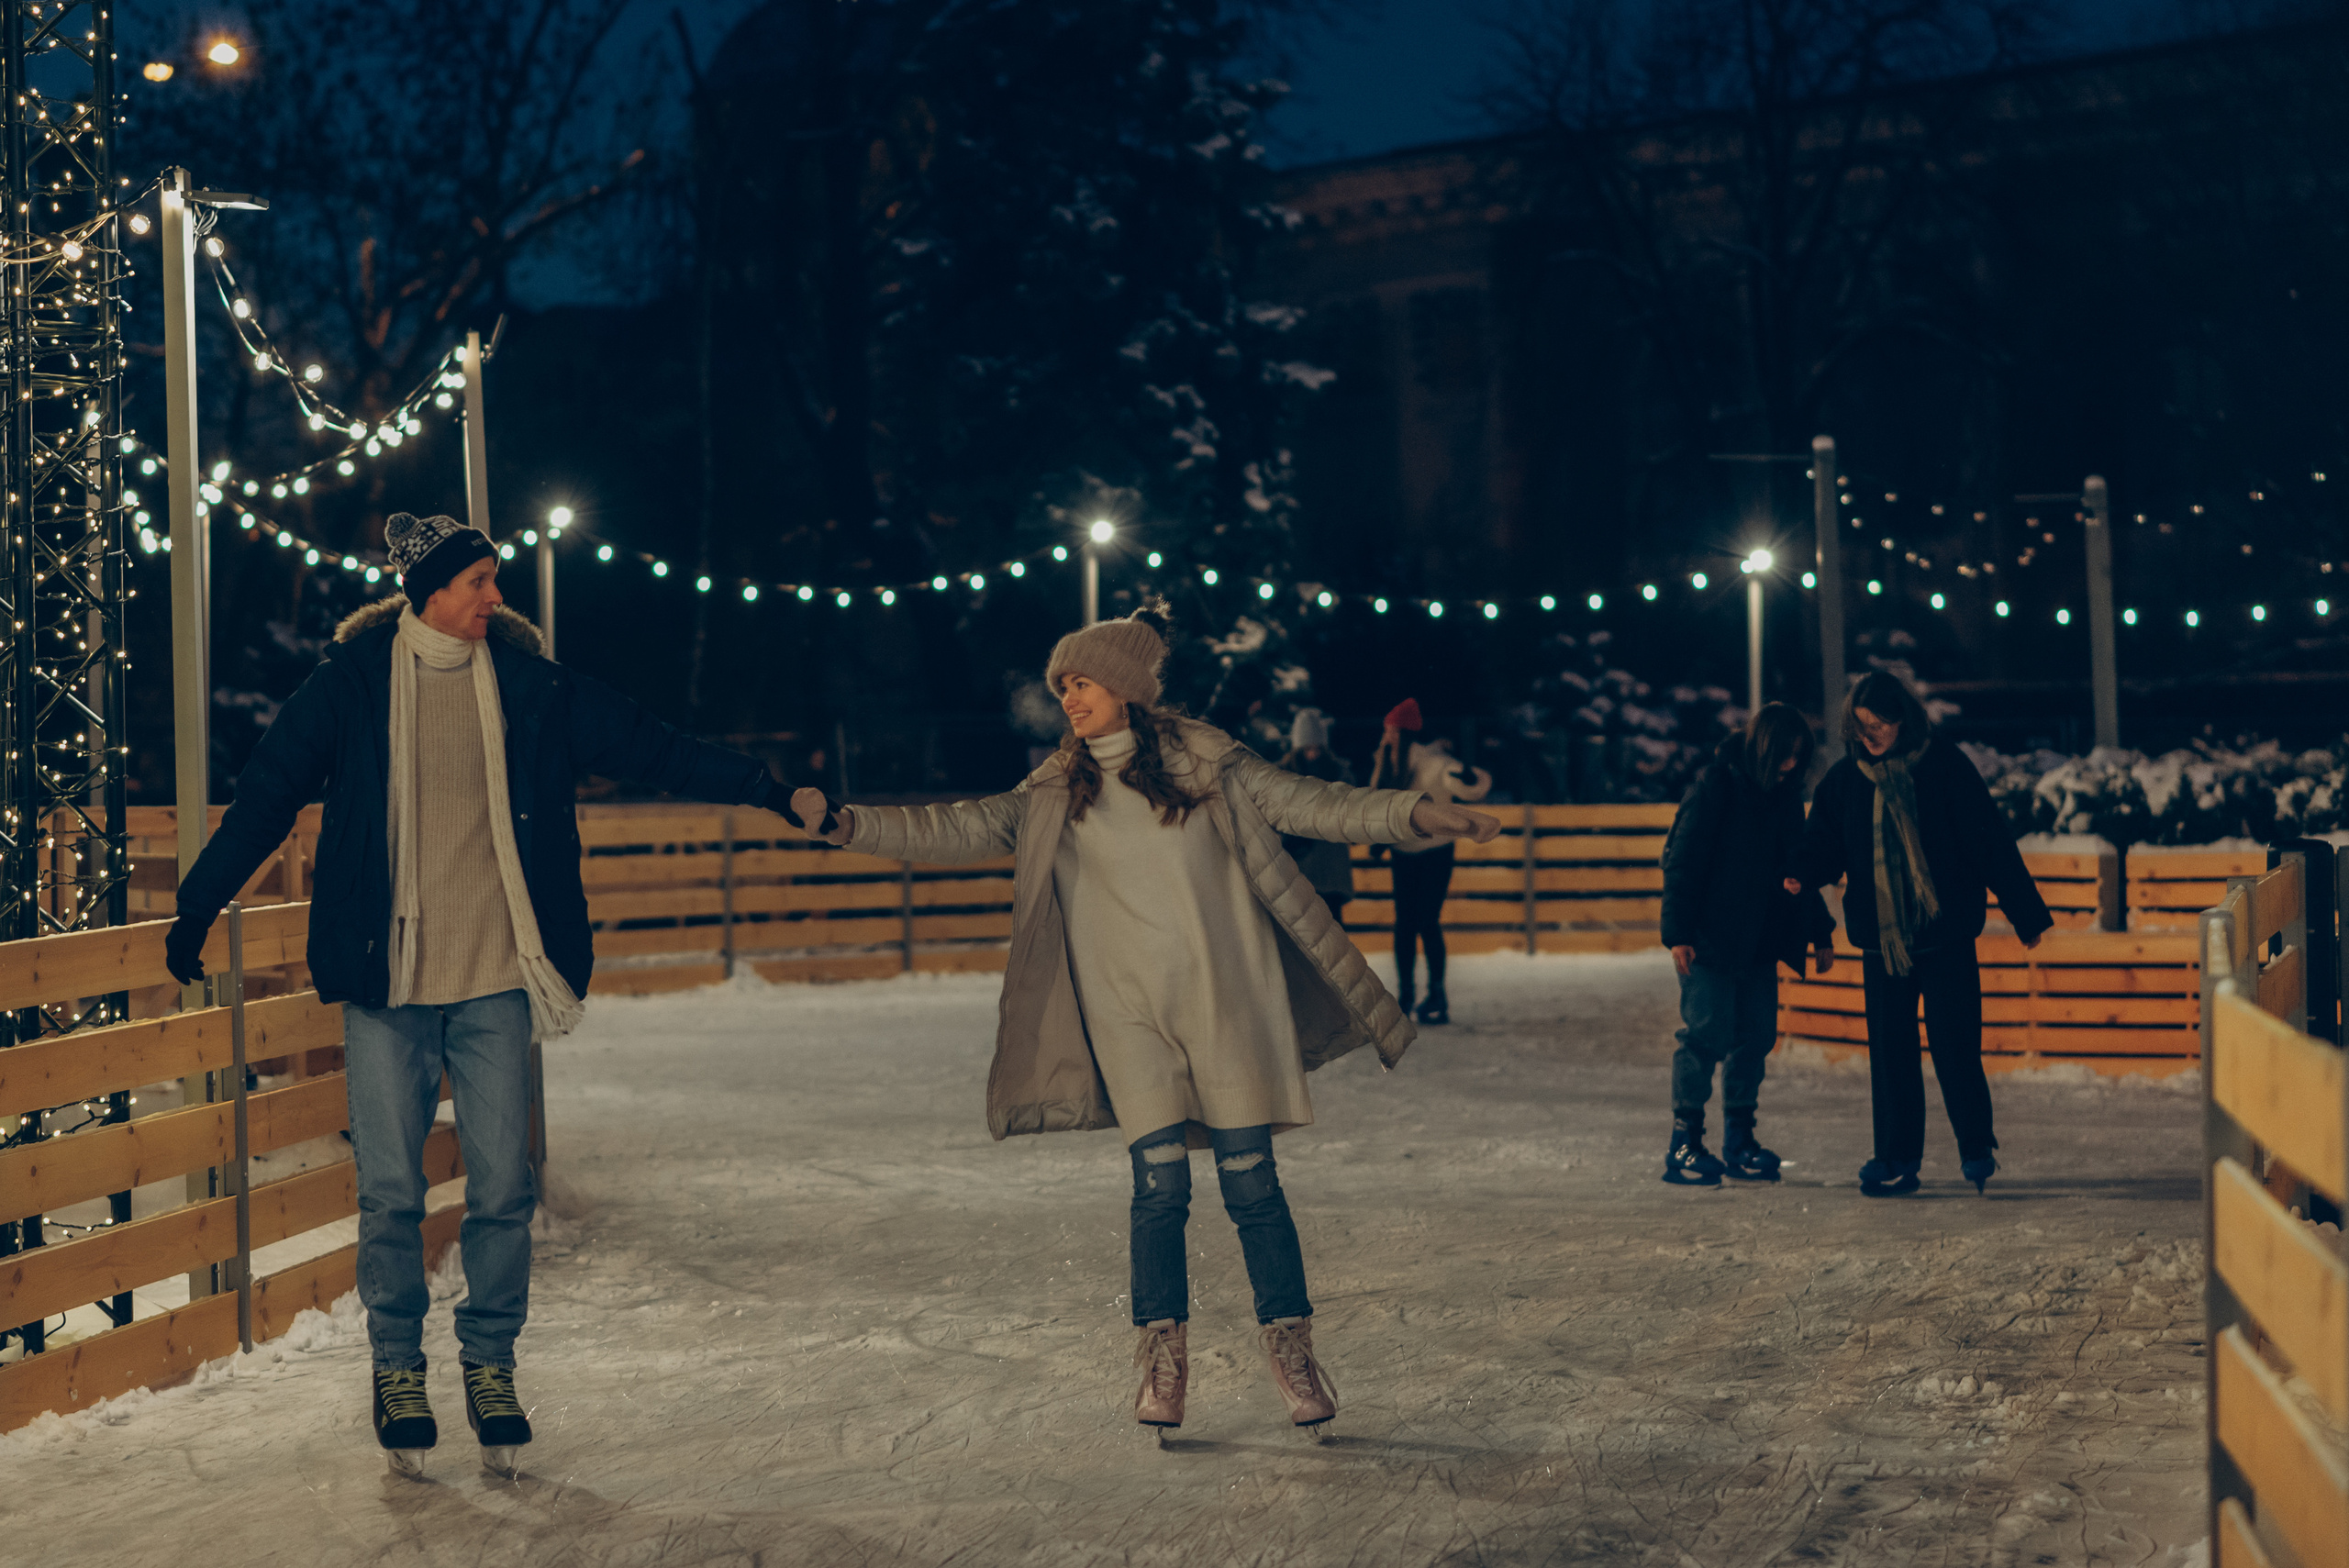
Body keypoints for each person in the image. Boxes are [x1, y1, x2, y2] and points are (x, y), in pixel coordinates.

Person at [163, 512, 804, 1477]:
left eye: (495, 579)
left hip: (497, 978)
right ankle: (396, 1368)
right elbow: (265, 798)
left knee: (504, 1188)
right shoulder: (351, 685)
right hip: (390, 982)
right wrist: (197, 905)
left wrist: (767, 788)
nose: (495, 597)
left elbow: (652, 744)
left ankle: (490, 1364)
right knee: (391, 1192)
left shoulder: (528, 686)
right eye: (478, 582)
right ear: (430, 590)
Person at [794, 611, 1499, 1442]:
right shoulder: (1054, 791)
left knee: (1251, 1185)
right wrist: (846, 823)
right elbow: (952, 826)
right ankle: (1163, 1355)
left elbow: (1318, 805)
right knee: (1158, 1189)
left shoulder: (1211, 765)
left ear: (1125, 688)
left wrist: (1419, 815)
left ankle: (1292, 1347)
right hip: (1128, 1018)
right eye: (1061, 686)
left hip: (1226, 1006)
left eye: (1081, 682)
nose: (1068, 698)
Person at [1789, 672, 2052, 1196]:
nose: (1869, 736)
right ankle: (1896, 1158)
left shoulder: (1945, 767)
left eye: (1878, 724)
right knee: (1892, 1054)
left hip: (1945, 933)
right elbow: (1824, 845)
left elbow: (1988, 841)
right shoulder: (1844, 782)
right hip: (1881, 939)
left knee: (1956, 1047)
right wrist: (1801, 872)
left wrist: (2025, 913)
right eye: (1860, 727)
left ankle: (1976, 1148)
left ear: (1902, 719)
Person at [1657, 704, 1837, 1186]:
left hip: (1760, 939)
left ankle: (1739, 1139)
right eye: (1784, 754)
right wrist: (1678, 934)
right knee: (1705, 1036)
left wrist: (1820, 931)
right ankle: (1684, 1142)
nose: (1790, 765)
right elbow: (1682, 861)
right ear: (1763, 748)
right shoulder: (1716, 785)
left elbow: (1796, 870)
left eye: (1797, 756)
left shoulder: (1785, 798)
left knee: (1755, 1037)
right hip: (1709, 940)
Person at [1370, 700, 1492, 1026]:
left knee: (1425, 920)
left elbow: (1464, 785)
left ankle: (1435, 993)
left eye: (1393, 730)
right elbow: (1375, 799)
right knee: (1406, 924)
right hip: (1403, 851)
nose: (1387, 735)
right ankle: (1407, 993)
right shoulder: (1385, 762)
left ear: (1405, 733)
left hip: (1436, 851)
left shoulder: (1435, 763)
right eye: (1386, 729)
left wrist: (1470, 776)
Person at [1277, 707, 1358, 925]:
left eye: (1316, 748)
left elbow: (1351, 808)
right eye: (1307, 749)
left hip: (1330, 866)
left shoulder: (1338, 773)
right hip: (1299, 865)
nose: (1312, 754)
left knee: (1332, 928)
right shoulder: (1283, 774)